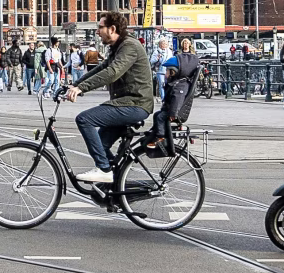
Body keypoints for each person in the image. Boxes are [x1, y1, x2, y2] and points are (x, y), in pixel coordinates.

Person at [65, 13, 153, 184]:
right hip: (126, 102)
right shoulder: (118, 48)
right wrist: (73, 85)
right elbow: (101, 68)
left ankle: (104, 170)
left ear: (112, 29)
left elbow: (112, 72)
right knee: (102, 145)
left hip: (135, 104)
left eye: (100, 27)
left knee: (84, 119)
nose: (97, 31)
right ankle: (116, 185)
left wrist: (81, 88)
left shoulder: (130, 46)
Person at [142, 38, 201, 154]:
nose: (166, 74)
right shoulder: (177, 82)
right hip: (170, 110)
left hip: (175, 112)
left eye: (168, 71)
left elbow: (177, 99)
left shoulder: (180, 86)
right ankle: (155, 132)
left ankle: (160, 137)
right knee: (157, 115)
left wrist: (173, 113)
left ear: (173, 72)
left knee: (160, 117)